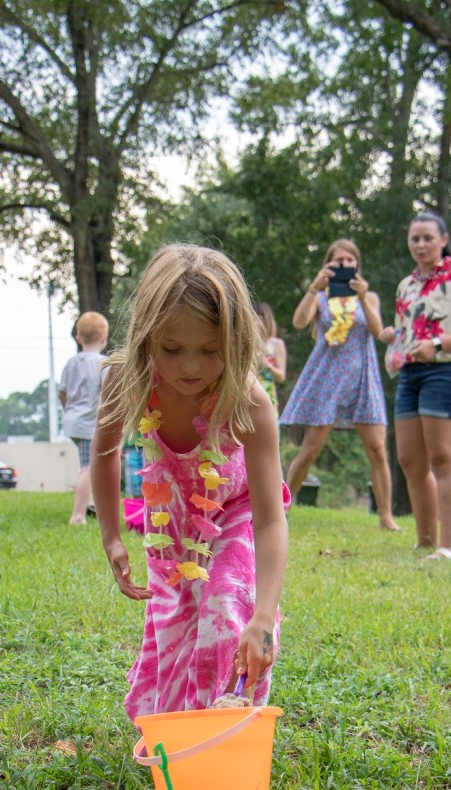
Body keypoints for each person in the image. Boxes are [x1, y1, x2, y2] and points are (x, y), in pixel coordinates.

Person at [91, 244, 289, 721]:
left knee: (224, 613)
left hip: (237, 514)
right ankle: (182, 733)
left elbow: (269, 520)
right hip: (173, 524)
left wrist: (264, 615)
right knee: (178, 632)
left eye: (209, 350)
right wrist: (112, 536)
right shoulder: (127, 378)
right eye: (172, 349)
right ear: (146, 338)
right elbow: (105, 451)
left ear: (236, 341)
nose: (191, 367)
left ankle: (228, 723)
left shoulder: (248, 401)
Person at [379, 212, 451, 560]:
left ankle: (450, 546)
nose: (421, 244)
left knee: (444, 458)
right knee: (411, 460)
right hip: (411, 375)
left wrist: (439, 345)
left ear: (443, 239)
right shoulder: (406, 286)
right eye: (415, 239)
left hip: (449, 372)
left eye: (428, 237)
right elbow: (407, 334)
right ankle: (425, 539)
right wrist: (393, 337)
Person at [281, 238, 399, 530]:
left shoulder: (368, 297)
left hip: (362, 375)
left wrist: (361, 297)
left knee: (377, 449)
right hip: (328, 375)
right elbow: (298, 321)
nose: (344, 266)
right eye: (337, 261)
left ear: (357, 264)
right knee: (310, 449)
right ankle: (282, 507)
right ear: (327, 265)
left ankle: (386, 516)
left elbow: (375, 329)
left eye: (349, 261)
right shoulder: (321, 296)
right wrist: (314, 287)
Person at [59, 311, 109, 525]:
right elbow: (109, 394)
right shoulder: (103, 364)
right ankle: (78, 515)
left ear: (78, 338)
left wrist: (69, 409)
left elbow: (62, 392)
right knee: (89, 469)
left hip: (73, 422)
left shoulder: (71, 363)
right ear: (104, 337)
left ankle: (89, 505)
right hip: (89, 425)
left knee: (88, 466)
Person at [255, 302, 287, 414]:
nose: (257, 323)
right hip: (247, 393)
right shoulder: (246, 342)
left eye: (260, 319)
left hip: (267, 392)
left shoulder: (275, 343)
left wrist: (265, 364)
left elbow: (281, 376)